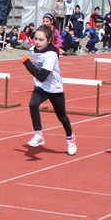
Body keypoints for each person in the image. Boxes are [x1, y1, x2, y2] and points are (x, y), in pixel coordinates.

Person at [19, 24, 76, 155]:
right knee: (33, 104)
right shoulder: (33, 49)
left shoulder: (51, 55)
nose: (37, 42)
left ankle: (70, 138)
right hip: (41, 86)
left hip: (54, 87)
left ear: (49, 40)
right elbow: (40, 78)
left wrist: (27, 63)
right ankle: (39, 134)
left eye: (41, 40)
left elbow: (42, 76)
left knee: (62, 116)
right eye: (36, 39)